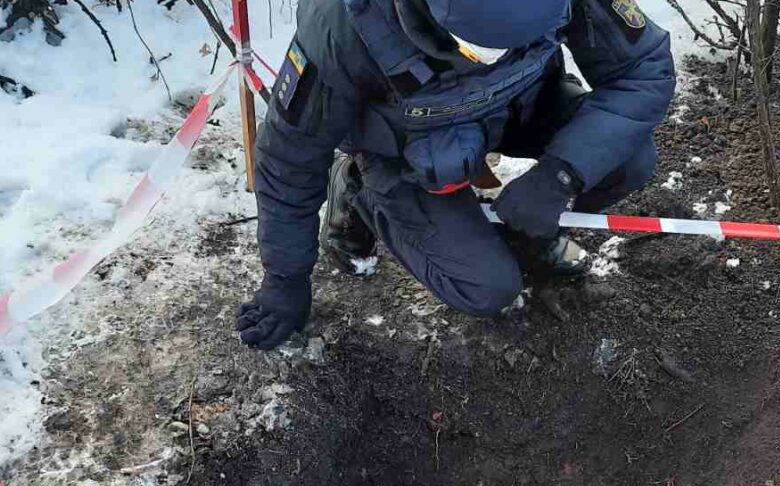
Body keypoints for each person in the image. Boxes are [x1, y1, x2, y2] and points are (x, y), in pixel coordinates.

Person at [236, 0, 675, 350]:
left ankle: (524, 237)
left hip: (522, 102)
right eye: (482, 52)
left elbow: (643, 73)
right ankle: (359, 190)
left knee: (628, 159)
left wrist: (562, 174)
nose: (494, 60)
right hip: (409, 148)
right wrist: (285, 279)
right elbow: (289, 160)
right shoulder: (343, 26)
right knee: (487, 288)